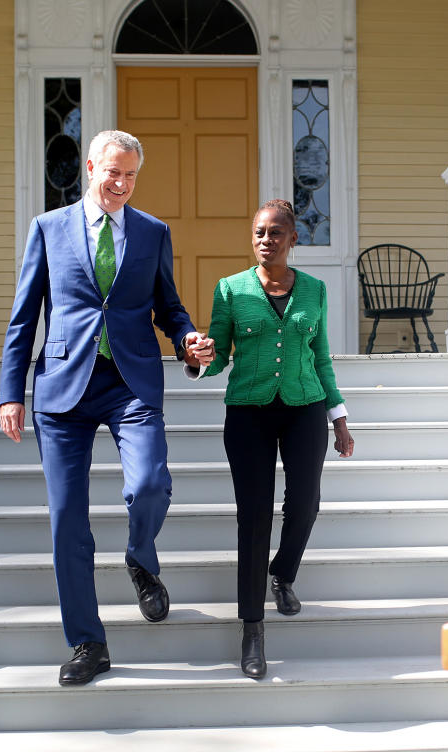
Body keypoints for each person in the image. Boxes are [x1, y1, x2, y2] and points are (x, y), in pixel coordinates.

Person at [0, 130, 215, 686]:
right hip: (62, 386)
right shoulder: (48, 229)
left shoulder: (152, 232)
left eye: (131, 175)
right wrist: (10, 392)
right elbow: (25, 316)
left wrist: (188, 339)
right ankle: (87, 643)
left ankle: (140, 557)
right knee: (67, 519)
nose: (121, 184)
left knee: (149, 485)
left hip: (130, 381)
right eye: (112, 172)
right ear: (90, 167)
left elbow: (169, 307)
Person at [191, 198, 354, 679]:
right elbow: (219, 355)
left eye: (276, 232)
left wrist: (338, 415)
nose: (267, 240)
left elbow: (320, 356)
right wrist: (200, 359)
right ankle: (252, 627)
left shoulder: (315, 290)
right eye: (260, 232)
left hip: (304, 407)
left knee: (305, 504)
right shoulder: (230, 290)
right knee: (254, 516)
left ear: (292, 238)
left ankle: (282, 574)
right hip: (248, 412)